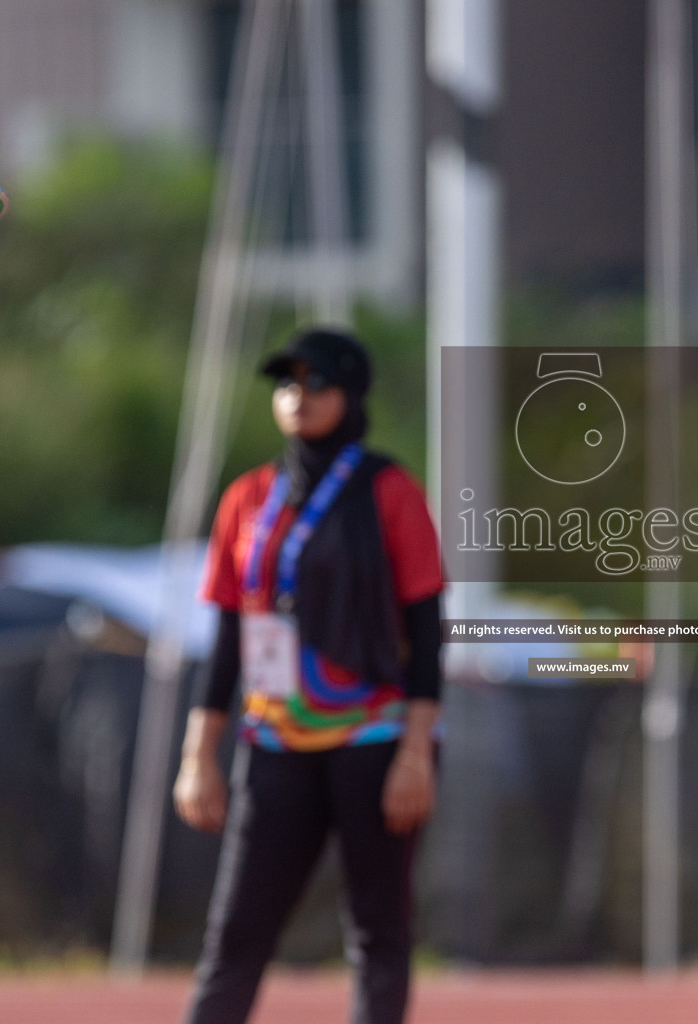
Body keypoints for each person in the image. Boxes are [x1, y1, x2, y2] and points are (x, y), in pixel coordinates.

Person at [173, 328, 443, 1024]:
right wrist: (198, 755)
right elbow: (229, 634)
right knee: (236, 932)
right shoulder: (248, 495)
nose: (297, 397)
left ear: (350, 394)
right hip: (274, 741)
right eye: (286, 384)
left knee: (377, 931)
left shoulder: (389, 489)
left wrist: (416, 752)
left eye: (315, 383)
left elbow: (423, 626)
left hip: (372, 737)